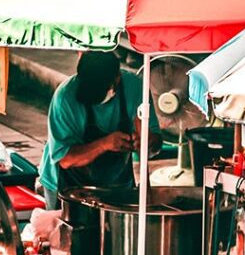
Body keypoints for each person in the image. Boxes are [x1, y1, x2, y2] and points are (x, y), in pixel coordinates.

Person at [39, 52, 157, 209]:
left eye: (99, 89)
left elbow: (154, 143)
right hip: (67, 185)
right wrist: (105, 144)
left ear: (116, 78)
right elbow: (66, 159)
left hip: (117, 184)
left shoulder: (135, 88)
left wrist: (145, 142)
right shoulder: (65, 98)